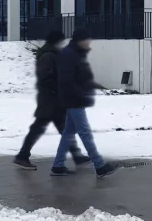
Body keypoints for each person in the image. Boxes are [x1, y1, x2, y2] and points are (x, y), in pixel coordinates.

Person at [14, 30, 90, 170]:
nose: (63, 43)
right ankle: (22, 156)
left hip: (53, 99)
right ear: (56, 41)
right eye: (61, 41)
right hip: (49, 99)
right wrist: (59, 89)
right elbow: (46, 78)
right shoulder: (49, 55)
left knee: (63, 128)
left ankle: (77, 155)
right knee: (39, 127)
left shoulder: (52, 53)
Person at [51, 28, 119, 178]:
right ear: (80, 40)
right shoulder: (69, 55)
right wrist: (81, 94)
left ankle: (58, 165)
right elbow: (67, 80)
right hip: (73, 99)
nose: (89, 42)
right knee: (84, 132)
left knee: (68, 133)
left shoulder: (74, 53)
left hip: (74, 98)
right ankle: (99, 165)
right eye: (87, 39)